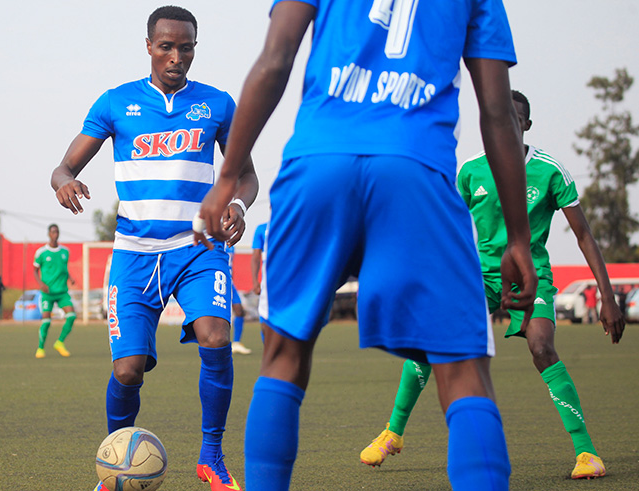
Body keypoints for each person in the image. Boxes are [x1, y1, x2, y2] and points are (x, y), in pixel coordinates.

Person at [195, 1, 539, 489]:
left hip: (317, 164)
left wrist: (227, 175)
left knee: (283, 357)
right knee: (463, 373)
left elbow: (275, 59)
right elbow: (499, 113)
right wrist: (518, 237)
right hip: (414, 166)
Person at [360, 90, 625, 480]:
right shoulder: (470, 171)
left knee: (541, 347)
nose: (504, 123)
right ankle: (393, 433)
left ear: (526, 125)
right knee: (427, 340)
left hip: (531, 275)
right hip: (475, 275)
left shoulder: (549, 170)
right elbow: (444, 223)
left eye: (513, 118)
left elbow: (583, 234)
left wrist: (608, 297)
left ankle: (585, 451)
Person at [50, 6, 257, 491]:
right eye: (166, 46)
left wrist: (240, 207)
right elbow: (64, 166)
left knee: (216, 337)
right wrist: (64, 181)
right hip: (134, 254)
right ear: (149, 46)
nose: (176, 57)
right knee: (128, 370)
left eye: (186, 48)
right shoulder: (116, 103)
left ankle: (211, 457)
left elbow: (245, 175)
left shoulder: (218, 105)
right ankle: (117, 463)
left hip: (198, 249)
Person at [33, 224, 77, 358]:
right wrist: (40, 284)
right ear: (48, 234)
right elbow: (35, 270)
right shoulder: (41, 252)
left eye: (57, 232)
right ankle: (40, 348)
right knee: (46, 321)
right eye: (52, 232)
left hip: (62, 291)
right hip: (48, 293)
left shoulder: (65, 251)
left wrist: (70, 278)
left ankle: (60, 342)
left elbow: (63, 268)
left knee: (71, 316)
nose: (55, 234)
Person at [227, 245, 250, 355]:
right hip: (217, 281)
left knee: (239, 311)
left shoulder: (231, 245)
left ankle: (236, 343)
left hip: (229, 282)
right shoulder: (213, 240)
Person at [249, 223, 267, 296]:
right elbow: (256, 257)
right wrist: (255, 281)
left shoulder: (290, 226)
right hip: (268, 277)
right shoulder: (262, 229)